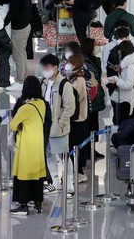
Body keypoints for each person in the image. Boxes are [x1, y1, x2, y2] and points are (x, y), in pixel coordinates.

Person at [9, 75, 48, 216]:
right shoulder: (42, 104)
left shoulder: (25, 108)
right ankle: (38, 203)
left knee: (23, 174)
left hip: (26, 145)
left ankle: (23, 205)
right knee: (36, 175)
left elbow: (13, 125)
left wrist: (19, 124)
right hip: (38, 144)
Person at [40, 54, 76, 197]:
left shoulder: (64, 84)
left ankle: (69, 185)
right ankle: (55, 183)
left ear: (55, 68)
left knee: (64, 156)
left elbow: (69, 107)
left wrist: (61, 123)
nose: (45, 70)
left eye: (47, 67)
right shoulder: (44, 82)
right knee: (48, 154)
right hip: (46, 126)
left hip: (59, 127)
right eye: (43, 67)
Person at [64, 53, 92, 179]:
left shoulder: (79, 79)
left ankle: (79, 172)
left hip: (79, 117)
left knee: (76, 144)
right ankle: (74, 171)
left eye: (69, 62)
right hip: (76, 117)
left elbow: (76, 97)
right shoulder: (73, 77)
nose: (67, 65)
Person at [3, 0, 31, 91]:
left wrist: (3, 24)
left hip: (19, 28)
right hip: (25, 26)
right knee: (22, 53)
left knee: (17, 55)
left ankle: (20, 81)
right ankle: (23, 78)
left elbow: (12, 12)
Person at [106, 40, 134, 123]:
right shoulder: (129, 64)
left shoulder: (130, 67)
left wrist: (116, 80)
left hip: (129, 101)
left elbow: (128, 85)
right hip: (129, 100)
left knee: (126, 126)